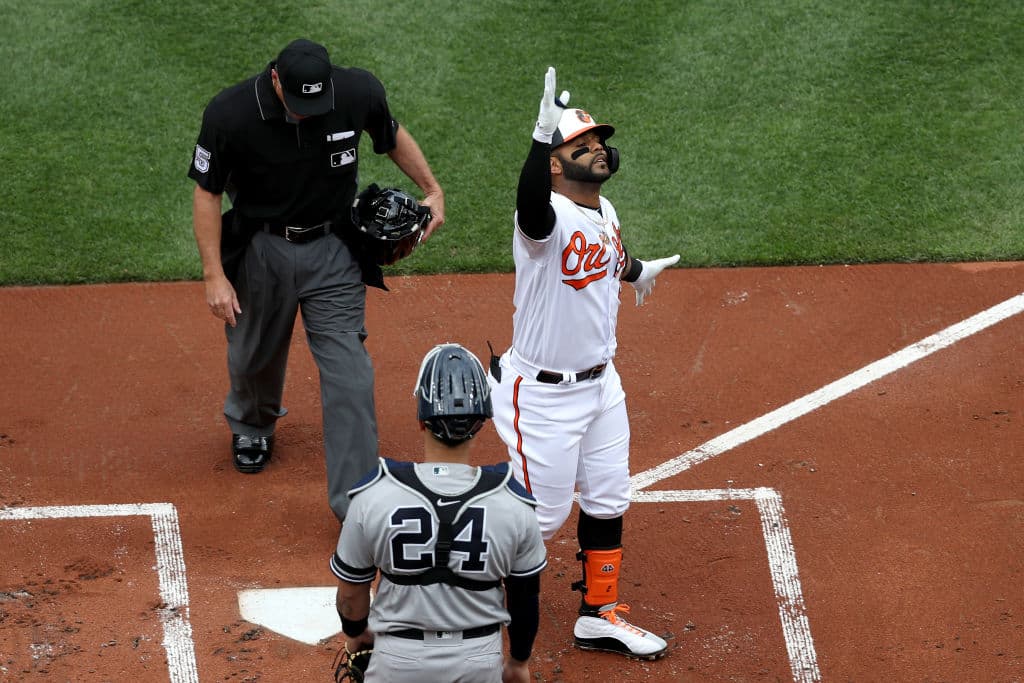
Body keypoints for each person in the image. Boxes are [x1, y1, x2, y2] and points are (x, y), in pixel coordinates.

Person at [187, 38, 444, 522]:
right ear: (276, 80)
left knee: (350, 373)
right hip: (261, 249)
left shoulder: (354, 91)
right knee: (251, 355)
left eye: (316, 104)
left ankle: (357, 505)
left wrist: (432, 189)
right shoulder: (230, 113)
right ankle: (253, 424)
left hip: (334, 250)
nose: (308, 113)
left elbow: (389, 135)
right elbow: (207, 195)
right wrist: (214, 276)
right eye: (298, 104)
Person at [486, 67, 679, 661]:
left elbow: (606, 255)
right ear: (553, 162)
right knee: (538, 525)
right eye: (580, 145)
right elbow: (531, 209)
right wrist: (540, 134)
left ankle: (599, 614)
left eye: (597, 141)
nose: (596, 148)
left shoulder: (605, 209)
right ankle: (468, 615)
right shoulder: (541, 220)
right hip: (541, 397)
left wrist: (636, 269)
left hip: (602, 386)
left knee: (608, 499)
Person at [331, 343, 547, 683]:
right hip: (478, 661)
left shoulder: (373, 495)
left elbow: (351, 594)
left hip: (396, 661)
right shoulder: (515, 504)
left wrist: (356, 633)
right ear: (482, 422)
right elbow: (524, 603)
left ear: (421, 419)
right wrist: (518, 662)